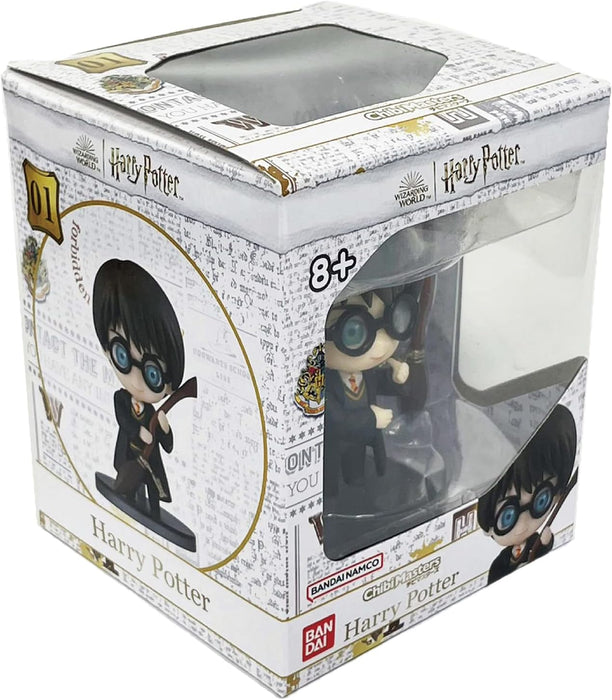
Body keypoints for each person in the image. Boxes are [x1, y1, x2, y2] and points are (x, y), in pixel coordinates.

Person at [92, 259, 185, 519]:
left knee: (152, 489)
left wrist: (163, 428)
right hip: (129, 455)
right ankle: (131, 501)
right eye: (121, 355)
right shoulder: (121, 399)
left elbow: (167, 445)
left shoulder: (152, 411)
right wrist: (139, 431)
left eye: (152, 373)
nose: (135, 379)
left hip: (149, 461)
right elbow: (124, 420)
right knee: (131, 485)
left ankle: (153, 513)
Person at [324, 284, 425, 490]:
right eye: (353, 332)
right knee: (333, 489)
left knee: (358, 484)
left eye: (394, 321)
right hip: (331, 455)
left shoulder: (367, 373)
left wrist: (397, 379)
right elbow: (334, 420)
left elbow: (379, 383)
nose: (382, 345)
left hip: (361, 450)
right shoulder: (321, 385)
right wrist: (372, 418)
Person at [477, 404, 576, 585]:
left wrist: (545, 543)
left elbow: (545, 549)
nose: (523, 527)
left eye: (541, 501)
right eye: (507, 517)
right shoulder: (502, 561)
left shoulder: (536, 543)